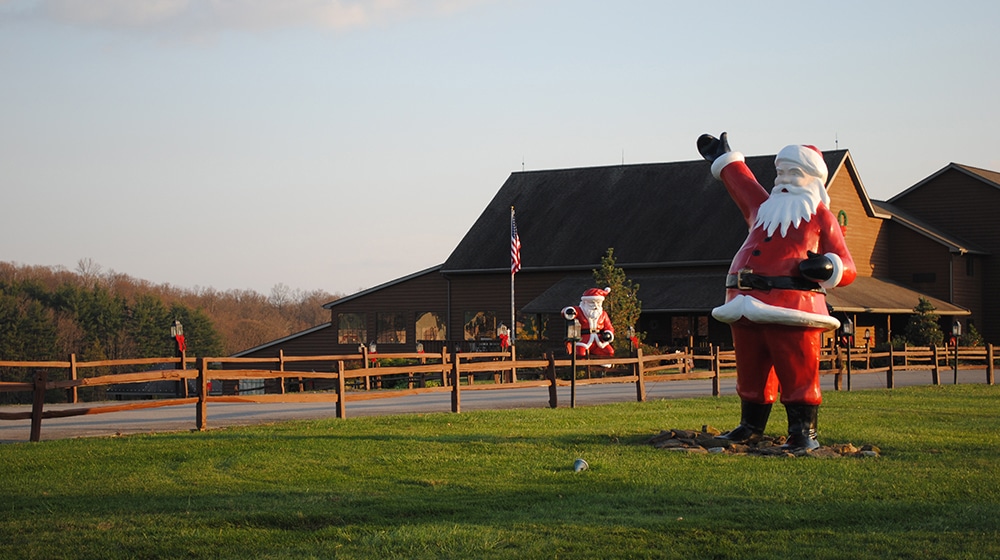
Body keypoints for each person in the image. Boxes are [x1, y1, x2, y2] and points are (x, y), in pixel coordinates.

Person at [697, 132, 857, 453]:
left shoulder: (819, 217)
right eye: (780, 173)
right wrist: (725, 160)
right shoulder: (763, 210)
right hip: (743, 304)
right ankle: (750, 426)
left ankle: (803, 431)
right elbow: (744, 186)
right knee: (751, 368)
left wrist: (828, 267)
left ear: (813, 180)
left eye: (793, 173)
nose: (783, 180)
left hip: (793, 306)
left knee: (797, 367)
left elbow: (847, 264)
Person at [562, 287, 615, 358]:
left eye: (598, 303)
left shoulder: (603, 314)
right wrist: (568, 311)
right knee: (581, 353)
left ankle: (603, 368)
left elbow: (609, 327)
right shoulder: (580, 311)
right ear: (585, 302)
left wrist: (608, 334)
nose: (595, 306)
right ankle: (582, 367)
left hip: (599, 340)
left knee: (609, 352)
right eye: (592, 303)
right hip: (583, 340)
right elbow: (566, 311)